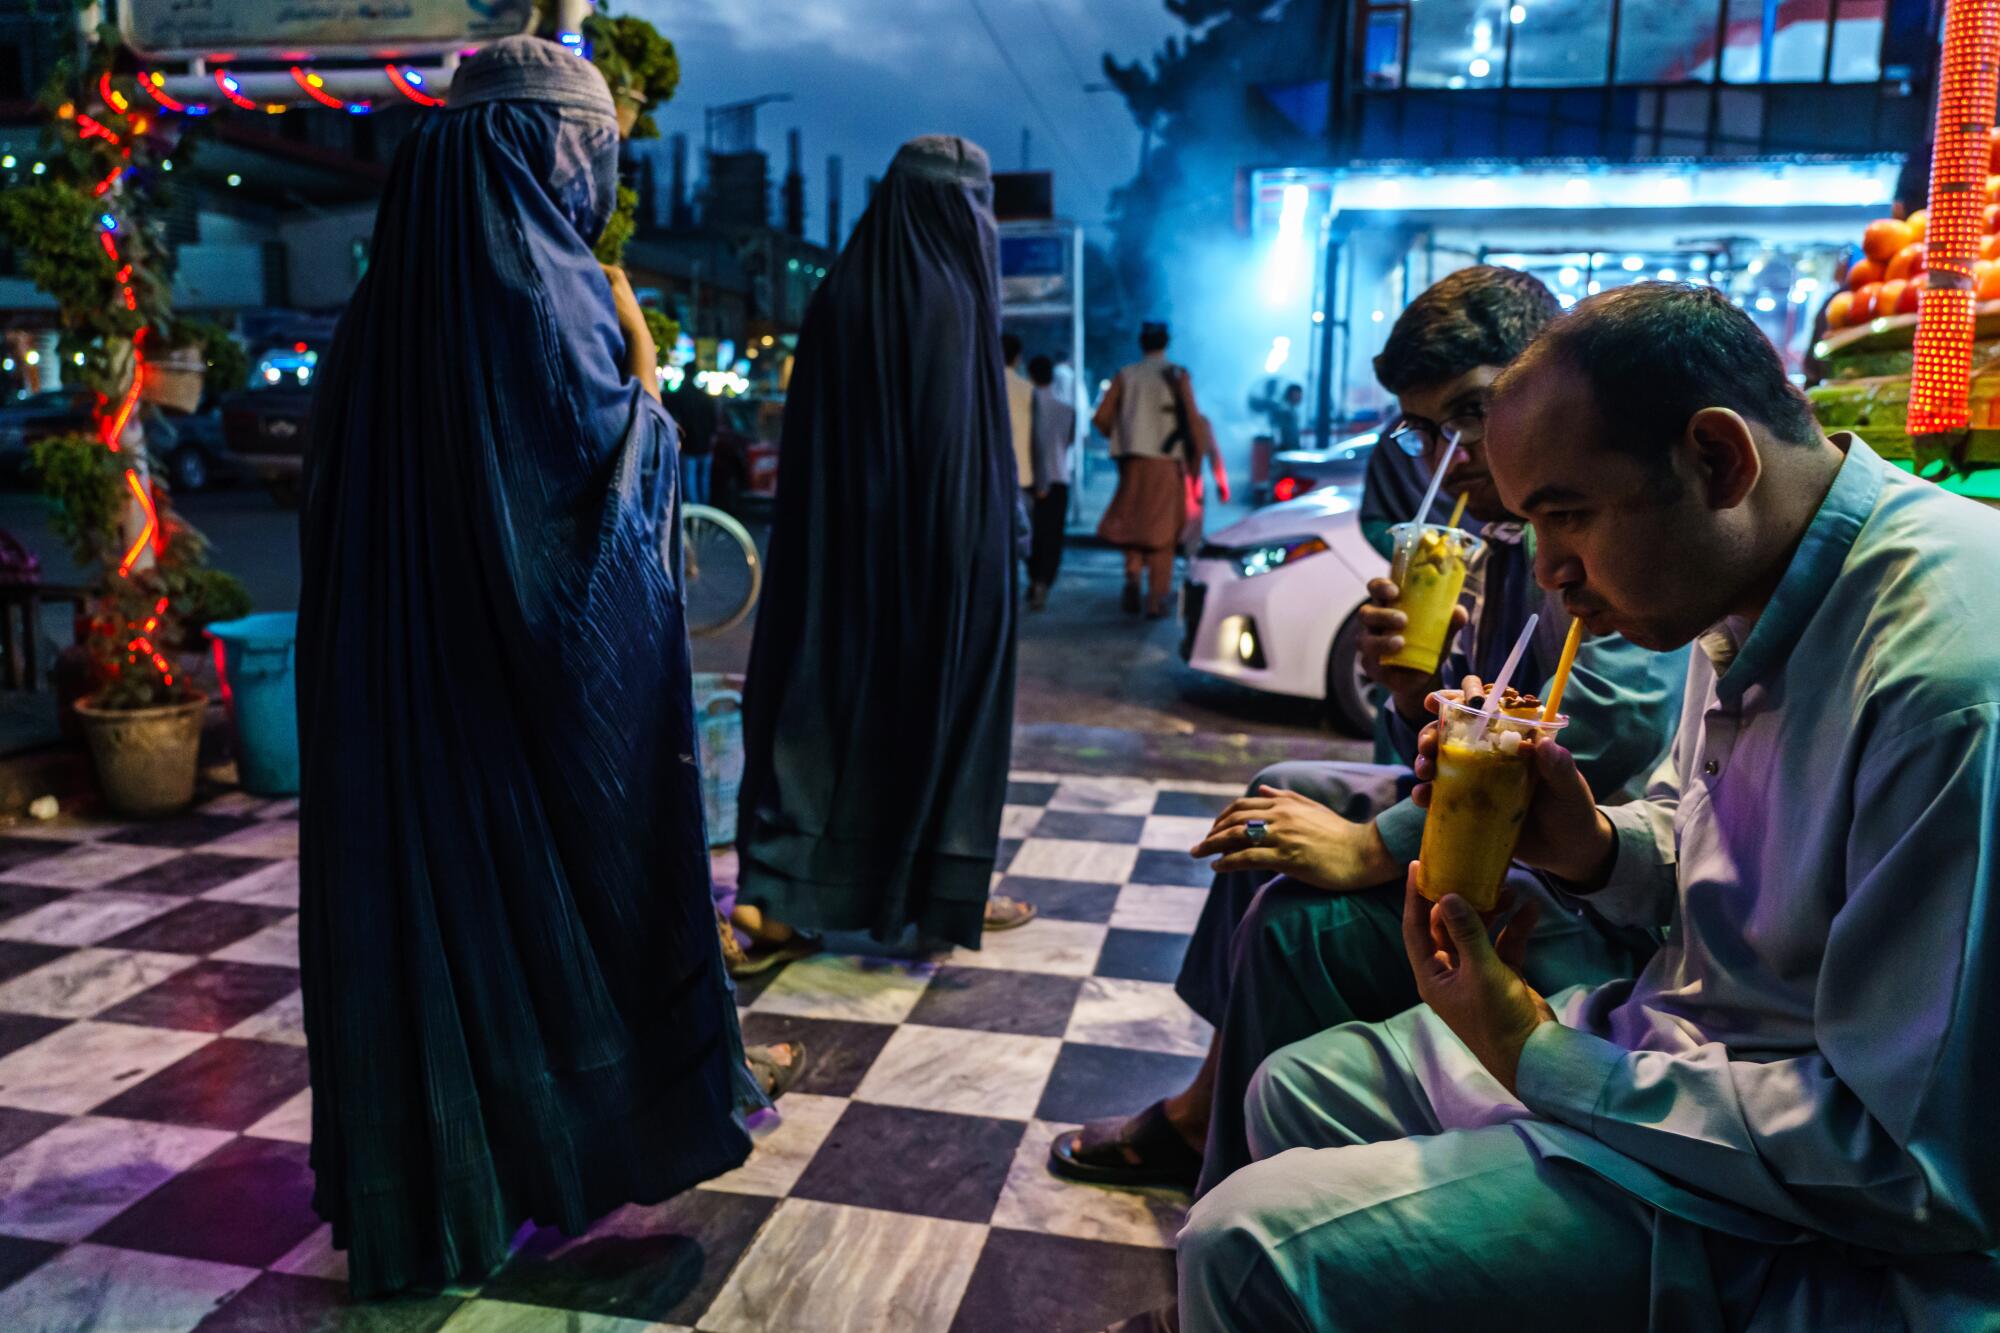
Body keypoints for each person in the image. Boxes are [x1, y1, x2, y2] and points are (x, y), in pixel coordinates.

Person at [1180, 282, 2000, 1330]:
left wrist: (1530, 1046)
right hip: (1682, 1046)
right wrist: (1584, 843)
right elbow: (1695, 847)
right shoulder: (1745, 574)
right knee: (1295, 1087)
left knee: (1245, 1245)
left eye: (1564, 516)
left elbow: (1915, 1166)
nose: (1552, 571)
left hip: (1806, 1208)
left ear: (1715, 459)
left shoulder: (1940, 687)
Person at [295, 37, 784, 1298]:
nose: (591, 183)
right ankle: (563, 1144)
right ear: (541, 154)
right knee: (547, 913)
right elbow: (597, 520)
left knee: (422, 927)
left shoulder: (380, 313)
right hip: (508, 731)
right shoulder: (550, 297)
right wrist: (643, 367)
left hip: (394, 721)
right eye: (587, 154)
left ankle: (436, 1196)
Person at [1049, 266, 1681, 1201]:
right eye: (1428, 430)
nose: (1452, 455)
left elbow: (1594, 742)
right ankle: (1207, 1107)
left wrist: (1369, 846)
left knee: (1295, 922)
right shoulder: (1503, 536)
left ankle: (1235, 1207)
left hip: (1592, 892)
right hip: (1508, 833)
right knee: (1281, 800)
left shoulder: (1596, 526)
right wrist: (1414, 688)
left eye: (1472, 411)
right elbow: (1468, 738)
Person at [734, 135, 1033, 955]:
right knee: (938, 723)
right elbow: (961, 458)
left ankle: (782, 900)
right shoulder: (953, 299)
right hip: (943, 566)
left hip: (832, 562)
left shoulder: (840, 293)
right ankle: (937, 891)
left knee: (819, 721)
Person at [1096, 321, 1203, 618]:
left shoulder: (1125, 375)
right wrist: (1196, 463)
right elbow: (1193, 422)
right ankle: (1157, 597)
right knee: (1162, 531)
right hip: (1166, 463)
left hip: (1131, 461)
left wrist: (1123, 436)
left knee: (1133, 522)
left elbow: (1101, 418)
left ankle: (1132, 575)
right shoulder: (1177, 375)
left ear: (1142, 343)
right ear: (1166, 343)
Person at [1025, 353, 1076, 611]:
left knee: (1032, 532)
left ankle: (1034, 579)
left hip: (1031, 477)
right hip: (1059, 476)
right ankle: (1044, 580)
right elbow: (1069, 442)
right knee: (1052, 535)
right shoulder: (1067, 409)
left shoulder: (1026, 405)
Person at [667, 370, 718, 506]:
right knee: (703, 481)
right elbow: (714, 422)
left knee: (690, 481)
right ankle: (704, 512)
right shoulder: (705, 398)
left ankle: (697, 514)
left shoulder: (681, 396)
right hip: (704, 445)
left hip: (689, 445)